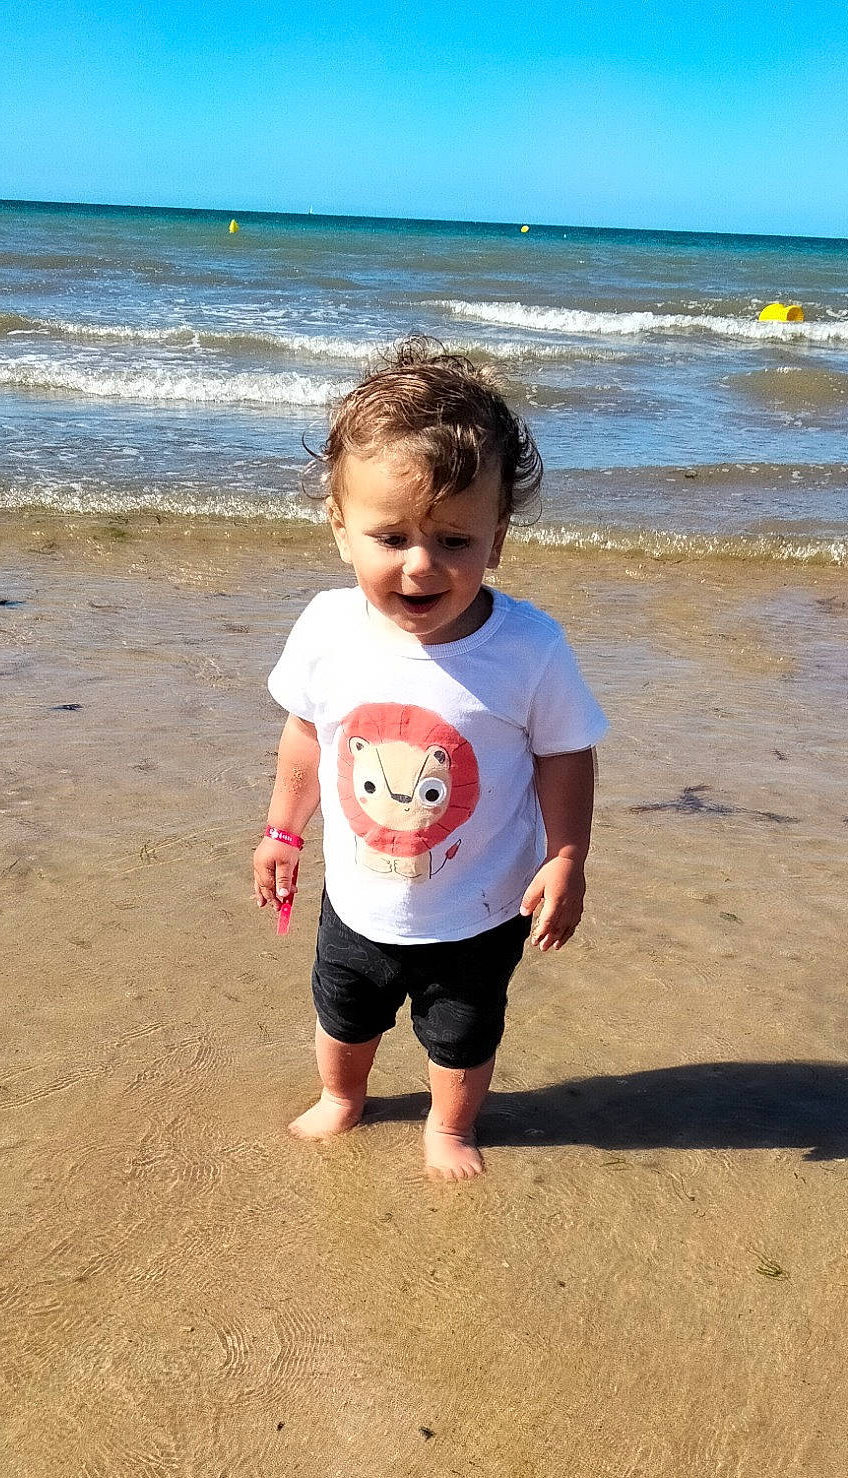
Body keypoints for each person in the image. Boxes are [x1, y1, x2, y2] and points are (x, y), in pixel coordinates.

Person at [252, 338, 608, 1180]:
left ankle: (448, 1128)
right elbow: (307, 733)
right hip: (358, 894)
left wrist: (567, 856)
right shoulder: (327, 629)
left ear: (498, 535)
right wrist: (282, 832)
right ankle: (344, 1098)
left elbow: (566, 754)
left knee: (464, 1030)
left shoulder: (527, 648)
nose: (421, 565)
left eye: (453, 538)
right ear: (341, 528)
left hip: (480, 908)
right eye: (391, 536)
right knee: (343, 1012)